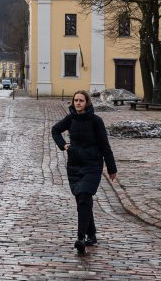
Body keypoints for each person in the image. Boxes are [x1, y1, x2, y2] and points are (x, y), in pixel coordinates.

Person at [51, 90, 118, 254]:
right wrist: (63, 145)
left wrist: (111, 168)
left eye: (81, 100)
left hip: (92, 164)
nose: (78, 103)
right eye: (76, 100)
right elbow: (55, 130)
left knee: (84, 197)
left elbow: (104, 145)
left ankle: (81, 238)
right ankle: (92, 235)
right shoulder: (71, 119)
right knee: (82, 199)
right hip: (74, 165)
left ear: (87, 103)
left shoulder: (96, 121)